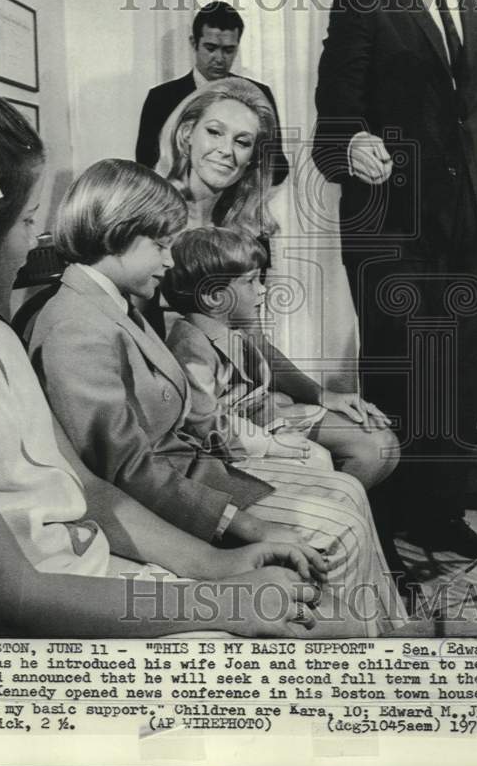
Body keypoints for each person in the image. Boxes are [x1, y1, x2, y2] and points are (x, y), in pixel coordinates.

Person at [0, 57, 329, 639]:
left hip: (88, 569)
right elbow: (14, 599)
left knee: (307, 613)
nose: (37, 244)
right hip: (21, 623)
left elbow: (87, 488)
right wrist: (215, 602)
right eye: (29, 221)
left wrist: (218, 565)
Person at [28, 159, 407, 634]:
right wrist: (239, 522)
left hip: (194, 473)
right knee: (339, 529)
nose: (169, 262)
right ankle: (355, 649)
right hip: (168, 498)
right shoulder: (77, 325)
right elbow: (124, 470)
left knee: (349, 489)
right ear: (117, 232)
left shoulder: (113, 304)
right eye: (160, 246)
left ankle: (383, 636)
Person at [312, 0, 477, 558]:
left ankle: (440, 517)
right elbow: (333, 119)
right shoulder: (363, 2)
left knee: (459, 372)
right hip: (392, 230)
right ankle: (390, 519)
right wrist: (355, 146)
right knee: (402, 370)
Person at [156, 77, 400, 493]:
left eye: (243, 141)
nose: (226, 151)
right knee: (340, 457)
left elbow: (251, 338)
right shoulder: (153, 214)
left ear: (253, 155)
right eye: (214, 132)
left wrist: (321, 394)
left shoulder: (239, 226)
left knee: (379, 447)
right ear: (186, 135)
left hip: (248, 397)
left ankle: (315, 526)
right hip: (190, 410)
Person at [163, 226, 398, 491]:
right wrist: (270, 443)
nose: (263, 290)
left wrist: (322, 394)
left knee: (381, 446)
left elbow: (264, 352)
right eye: (251, 282)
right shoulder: (190, 346)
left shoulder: (233, 320)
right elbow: (203, 424)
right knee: (321, 460)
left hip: (264, 412)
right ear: (215, 297)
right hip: (239, 435)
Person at [136, 1, 288, 185]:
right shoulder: (161, 98)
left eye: (228, 50)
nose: (219, 58)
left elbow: (278, 168)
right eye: (210, 48)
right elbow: (145, 168)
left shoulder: (258, 94)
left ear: (237, 47)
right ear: (194, 43)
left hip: (238, 206)